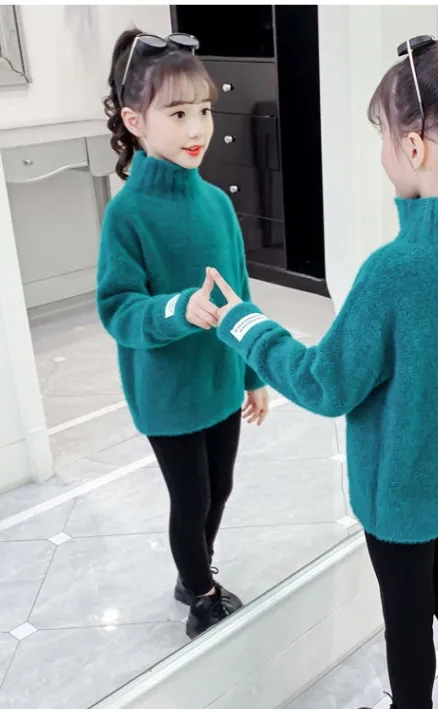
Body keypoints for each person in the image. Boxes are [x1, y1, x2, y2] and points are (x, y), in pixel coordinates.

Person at [207, 26, 438, 709]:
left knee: (407, 614)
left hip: (403, 496)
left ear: (413, 146)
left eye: (383, 135)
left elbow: (324, 384)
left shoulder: (395, 270)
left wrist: (241, 323)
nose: (382, 151)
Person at [96, 29, 270, 640]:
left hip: (220, 380)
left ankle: (194, 570)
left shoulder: (216, 204)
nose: (197, 128)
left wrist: (252, 373)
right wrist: (178, 310)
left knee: (220, 487)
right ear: (134, 121)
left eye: (204, 110)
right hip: (167, 392)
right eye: (177, 114)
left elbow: (240, 295)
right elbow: (117, 308)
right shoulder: (127, 214)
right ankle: (200, 594)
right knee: (190, 498)